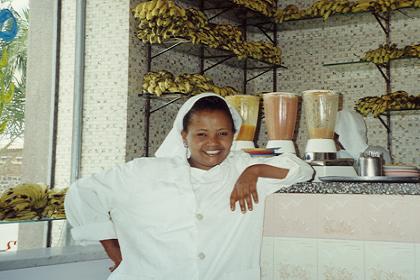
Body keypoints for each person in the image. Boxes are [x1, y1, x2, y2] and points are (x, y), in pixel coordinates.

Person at [64, 92, 313, 280]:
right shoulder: (145, 172)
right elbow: (83, 193)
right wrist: (114, 250)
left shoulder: (240, 166)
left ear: (233, 135)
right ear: (184, 135)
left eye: (223, 133)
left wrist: (254, 171)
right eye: (201, 134)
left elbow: (301, 169)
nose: (213, 143)